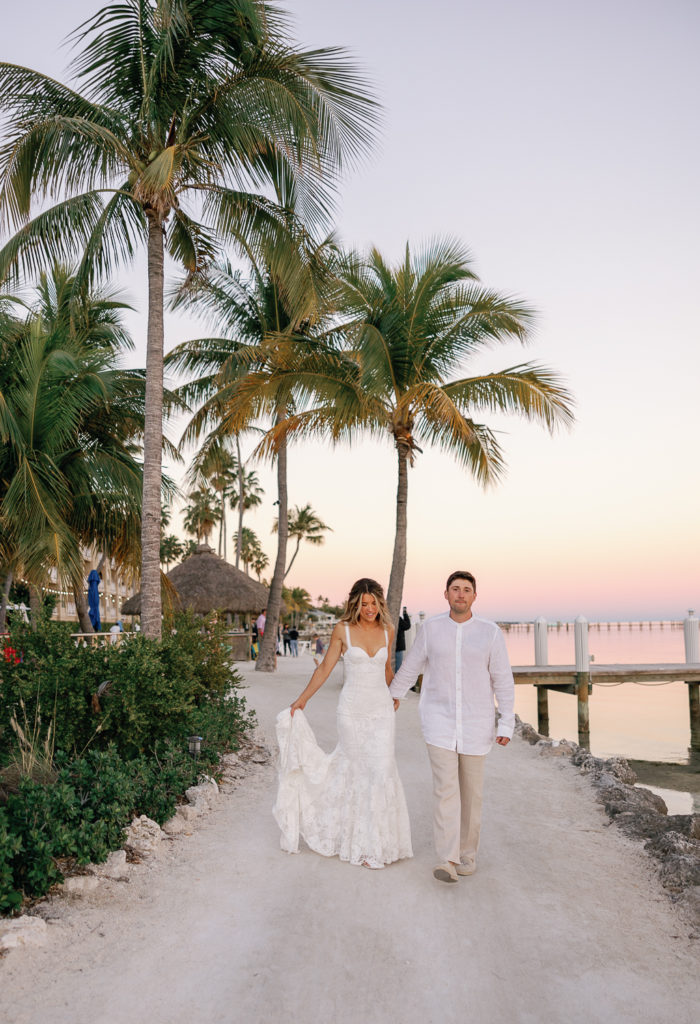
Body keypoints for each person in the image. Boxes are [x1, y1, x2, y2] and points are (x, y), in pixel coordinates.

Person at [273, 578, 412, 870]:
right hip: (351, 712)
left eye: (374, 603)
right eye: (364, 603)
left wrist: (393, 693)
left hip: (381, 713)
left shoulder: (388, 630)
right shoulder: (343, 630)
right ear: (355, 604)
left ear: (380, 604)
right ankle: (357, 845)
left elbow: (387, 669)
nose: (370, 608)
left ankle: (378, 844)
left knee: (381, 769)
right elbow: (325, 668)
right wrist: (302, 699)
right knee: (355, 770)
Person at [390, 570, 514, 884]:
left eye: (466, 590)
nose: (460, 594)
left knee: (471, 795)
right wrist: (392, 697)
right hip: (438, 722)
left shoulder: (490, 633)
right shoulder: (430, 629)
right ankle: (447, 858)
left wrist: (507, 722)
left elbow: (503, 680)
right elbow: (411, 667)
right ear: (445, 594)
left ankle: (467, 856)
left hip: (477, 724)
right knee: (445, 791)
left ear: (474, 596)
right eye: (455, 589)